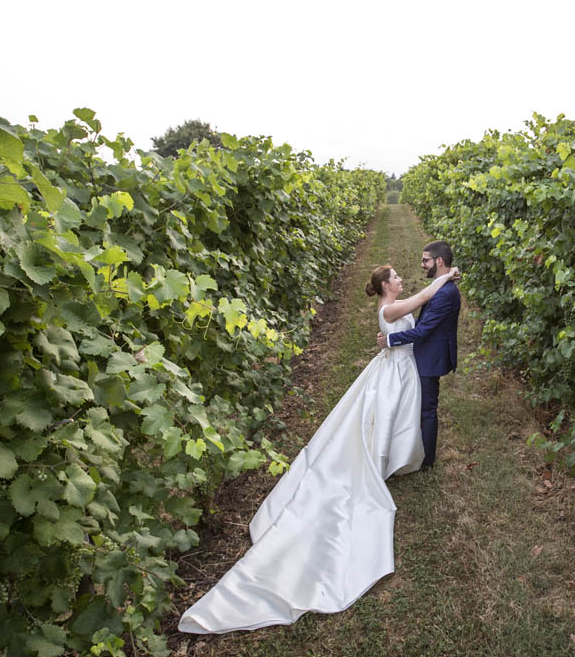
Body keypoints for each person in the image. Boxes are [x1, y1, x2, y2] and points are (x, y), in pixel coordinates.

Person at [178, 263, 460, 634]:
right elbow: (423, 298)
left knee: (391, 419)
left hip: (399, 368)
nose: (401, 279)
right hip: (395, 370)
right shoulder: (390, 309)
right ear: (384, 285)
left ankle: (394, 456)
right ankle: (381, 461)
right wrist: (447, 276)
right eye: (395, 277)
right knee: (385, 417)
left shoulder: (392, 305)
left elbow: (416, 306)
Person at [377, 241, 461, 471]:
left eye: (425, 260)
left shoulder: (444, 293)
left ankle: (426, 459)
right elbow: (422, 310)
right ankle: (411, 449)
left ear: (439, 261)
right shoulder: (441, 287)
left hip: (429, 357)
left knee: (426, 410)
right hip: (423, 354)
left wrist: (390, 340)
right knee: (415, 407)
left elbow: (422, 331)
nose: (422, 264)